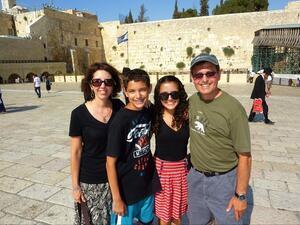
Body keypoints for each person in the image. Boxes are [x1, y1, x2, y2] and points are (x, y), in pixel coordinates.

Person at [188, 53, 252, 225]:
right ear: (192, 78)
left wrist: (241, 195)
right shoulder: (192, 101)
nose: (204, 79)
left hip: (224, 182)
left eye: (210, 73)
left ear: (219, 73)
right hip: (195, 177)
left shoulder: (233, 109)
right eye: (198, 75)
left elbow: (245, 156)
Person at [69, 62, 123, 225]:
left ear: (114, 85)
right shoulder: (78, 114)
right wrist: (75, 186)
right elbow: (76, 152)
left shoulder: (120, 107)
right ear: (90, 85)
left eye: (108, 82)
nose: (102, 86)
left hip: (118, 177)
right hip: (92, 181)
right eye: (97, 82)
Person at [106, 69, 160, 225]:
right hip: (126, 192)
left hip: (147, 186)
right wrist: (117, 199)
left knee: (147, 221)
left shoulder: (149, 111)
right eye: (132, 91)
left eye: (142, 90)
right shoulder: (119, 121)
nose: (138, 95)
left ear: (149, 88)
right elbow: (110, 163)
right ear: (125, 92)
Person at [153, 75, 189, 225]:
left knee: (178, 215)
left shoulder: (187, 115)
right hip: (162, 173)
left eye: (174, 94)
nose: (170, 98)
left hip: (181, 172)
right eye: (164, 95)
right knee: (164, 216)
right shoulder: (154, 116)